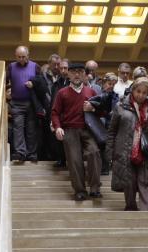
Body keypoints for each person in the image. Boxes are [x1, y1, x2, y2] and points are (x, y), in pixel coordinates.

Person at [52, 61, 103, 201]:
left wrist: (93, 109)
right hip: (69, 130)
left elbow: (100, 112)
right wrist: (58, 127)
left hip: (87, 129)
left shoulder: (91, 91)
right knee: (74, 160)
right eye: (73, 72)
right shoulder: (62, 93)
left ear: (85, 75)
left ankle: (95, 188)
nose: (76, 74)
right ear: (68, 74)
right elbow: (55, 112)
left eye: (80, 72)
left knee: (94, 153)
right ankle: (80, 190)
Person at [106, 77, 148, 211]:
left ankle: (146, 214)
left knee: (145, 182)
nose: (140, 95)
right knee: (129, 182)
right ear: (133, 90)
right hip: (125, 150)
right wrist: (109, 153)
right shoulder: (120, 106)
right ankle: (131, 209)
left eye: (144, 92)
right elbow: (111, 131)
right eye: (138, 91)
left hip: (145, 151)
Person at [7, 46, 40, 164]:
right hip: (16, 103)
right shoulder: (11, 67)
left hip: (31, 103)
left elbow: (41, 83)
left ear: (28, 55)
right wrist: (7, 92)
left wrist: (33, 84)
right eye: (19, 57)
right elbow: (5, 82)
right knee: (18, 128)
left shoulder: (35, 66)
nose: (21, 59)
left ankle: (32, 154)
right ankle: (21, 153)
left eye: (23, 57)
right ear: (15, 56)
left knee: (31, 129)